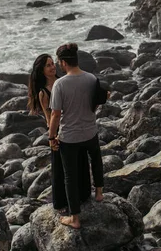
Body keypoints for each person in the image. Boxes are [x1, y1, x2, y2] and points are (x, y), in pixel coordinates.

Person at [48, 43, 105, 229]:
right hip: (90, 132)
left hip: (70, 137)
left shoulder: (60, 84)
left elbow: (56, 114)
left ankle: (75, 218)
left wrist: (51, 136)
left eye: (58, 62)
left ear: (63, 62)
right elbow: (96, 103)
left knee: (70, 176)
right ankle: (99, 193)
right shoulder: (91, 78)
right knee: (96, 160)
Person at [27, 53, 91, 215]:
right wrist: (52, 136)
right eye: (48, 65)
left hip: (76, 126)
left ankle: (83, 196)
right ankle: (62, 203)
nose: (52, 67)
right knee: (61, 170)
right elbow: (50, 118)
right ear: (41, 70)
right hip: (61, 132)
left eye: (52, 64)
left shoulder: (63, 82)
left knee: (81, 162)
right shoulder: (43, 93)